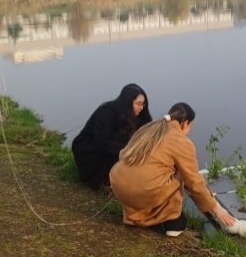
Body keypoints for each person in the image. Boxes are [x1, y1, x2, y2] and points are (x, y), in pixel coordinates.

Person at [110, 102, 236, 236]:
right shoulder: (180, 141)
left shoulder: (148, 129)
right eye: (190, 126)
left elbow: (123, 154)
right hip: (143, 191)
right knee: (181, 174)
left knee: (150, 173)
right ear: (185, 123)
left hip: (119, 185)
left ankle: (134, 217)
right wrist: (217, 210)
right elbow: (194, 182)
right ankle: (171, 221)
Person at [71, 84, 151, 190]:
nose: (141, 108)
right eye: (138, 104)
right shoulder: (106, 112)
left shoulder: (138, 116)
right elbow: (101, 142)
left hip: (113, 150)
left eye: (143, 104)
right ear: (127, 102)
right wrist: (129, 152)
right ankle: (100, 180)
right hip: (90, 150)